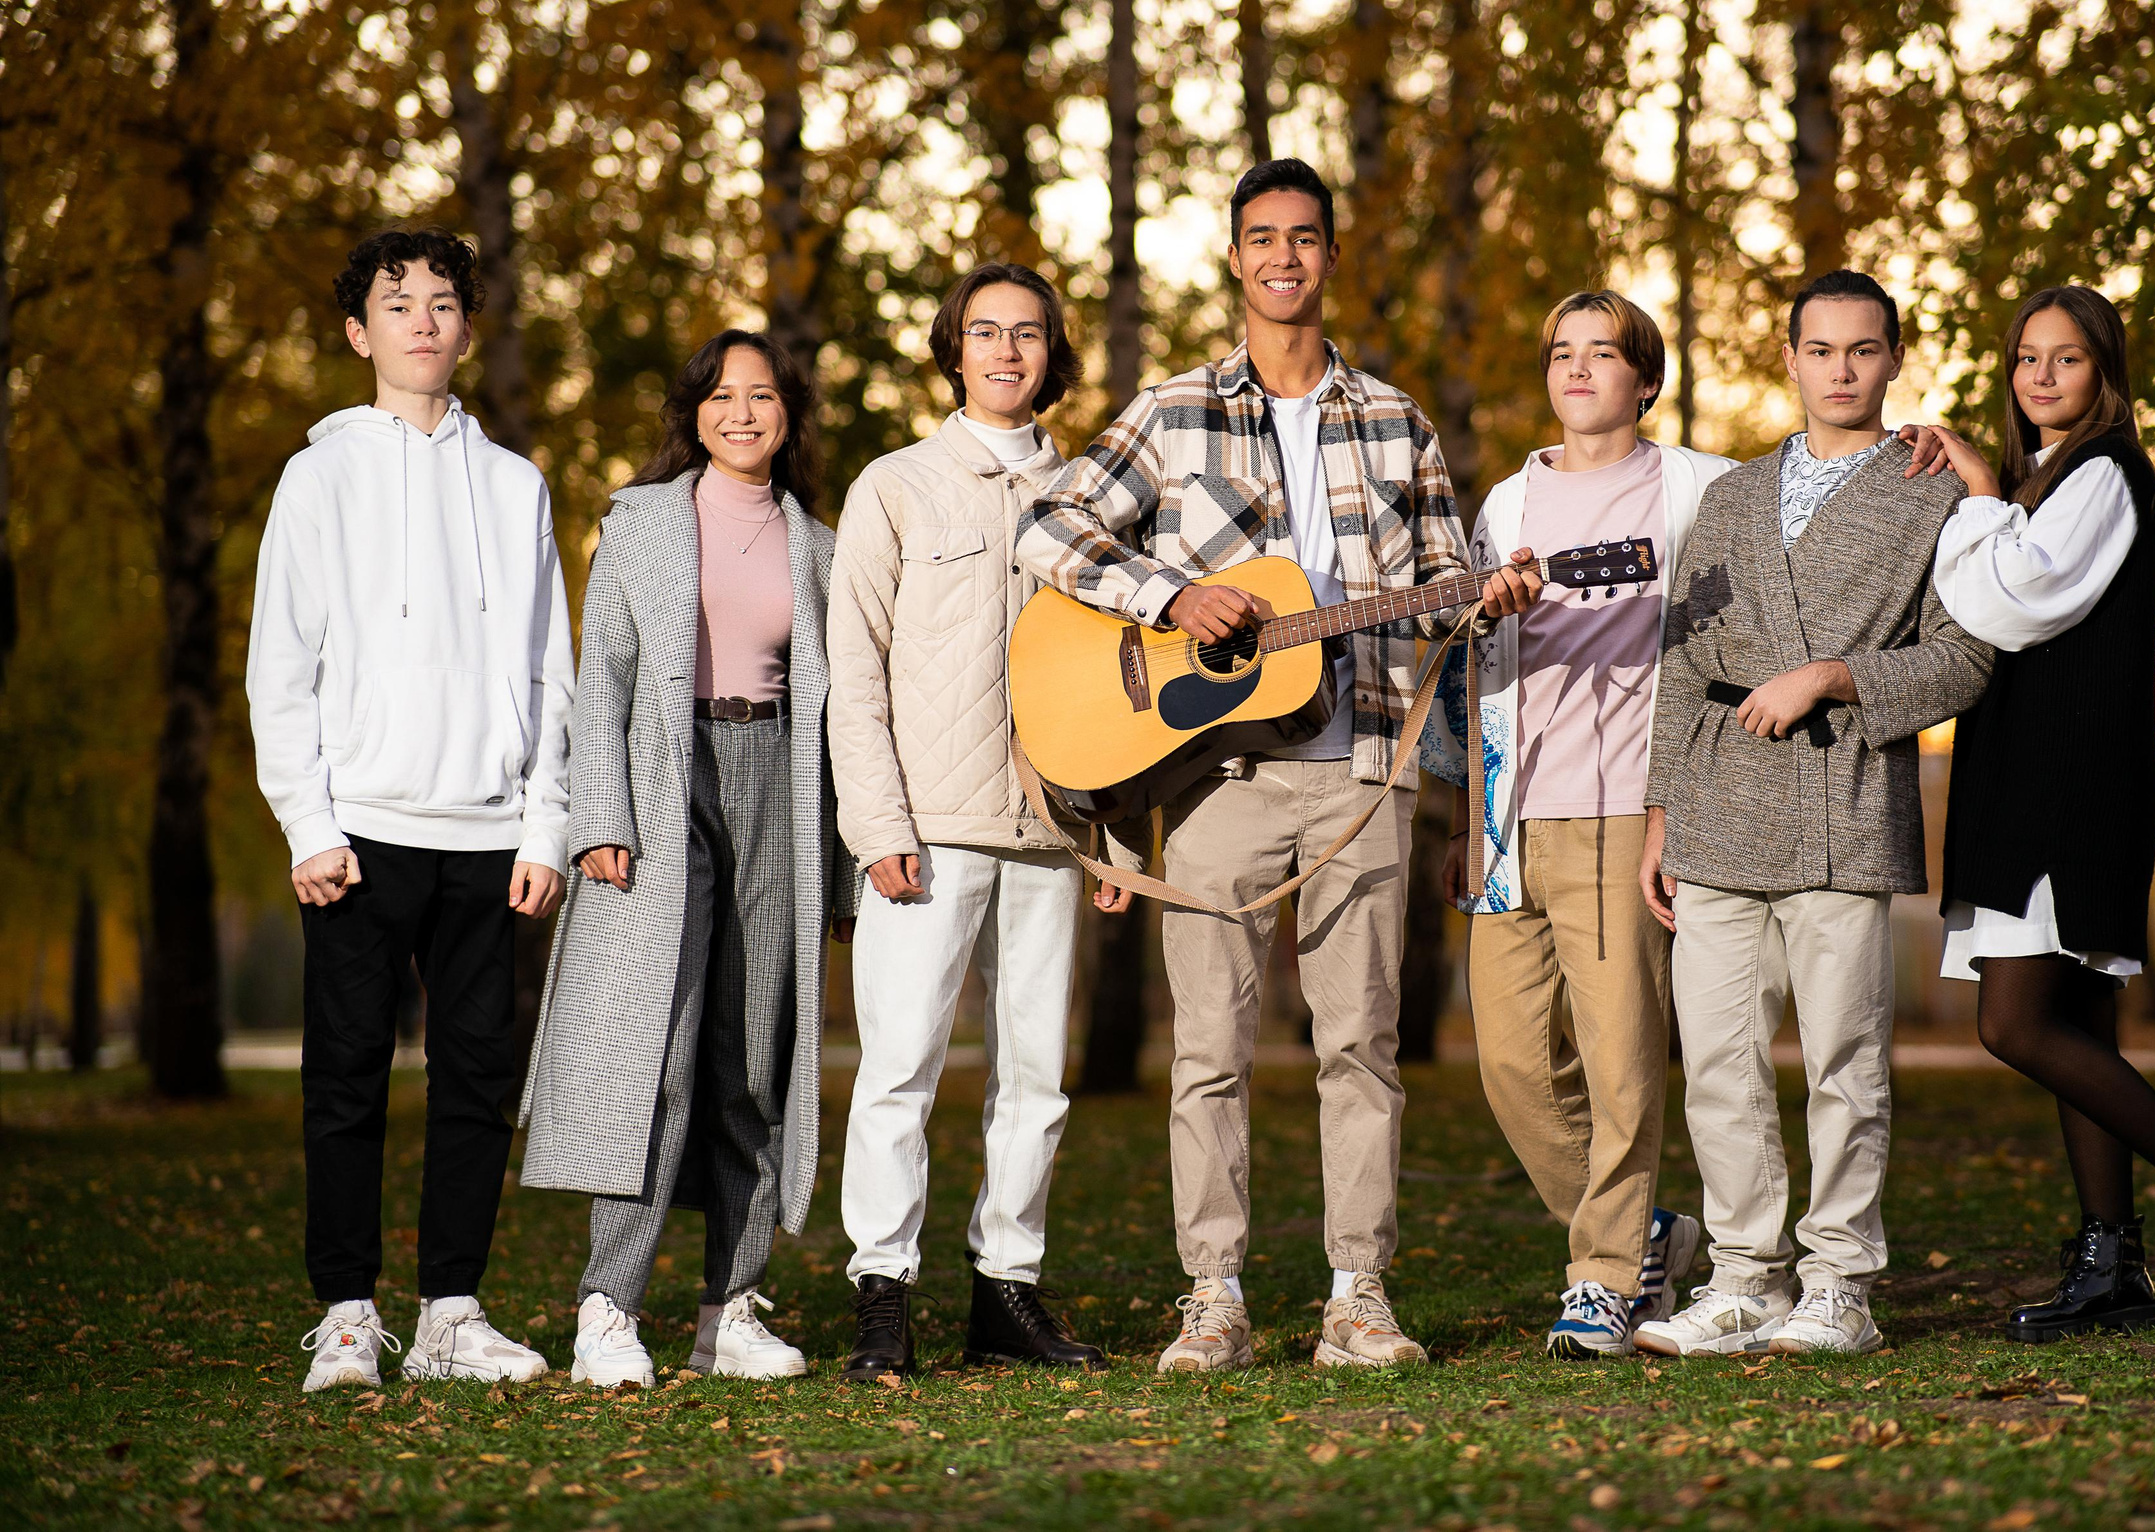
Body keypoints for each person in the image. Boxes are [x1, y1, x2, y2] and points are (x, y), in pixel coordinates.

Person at [1016, 157, 1536, 1373]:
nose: (1284, 258)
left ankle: (1358, 1296)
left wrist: (1488, 598)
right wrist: (1172, 592)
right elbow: (1051, 524)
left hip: (1360, 768)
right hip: (1213, 778)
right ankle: (1216, 1298)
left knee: (1359, 1042)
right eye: (1263, 238)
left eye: (1305, 237)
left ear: (1330, 256)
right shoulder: (1172, 409)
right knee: (1207, 1050)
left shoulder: (1396, 421)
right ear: (1235, 257)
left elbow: (1444, 599)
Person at [1900, 286, 2155, 1339]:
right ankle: (2110, 1264)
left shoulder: (2101, 473)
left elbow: (2007, 600)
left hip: (2063, 784)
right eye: (2026, 357)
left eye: (2065, 359)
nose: (2040, 376)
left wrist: (1980, 495)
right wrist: (1997, 494)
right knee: (2079, 1020)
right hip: (2027, 773)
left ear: (2103, 374)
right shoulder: (2048, 475)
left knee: (2017, 1021)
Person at [1634, 270, 1993, 1360]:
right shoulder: (1733, 497)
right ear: (1787, 357)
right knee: (1718, 1060)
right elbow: (1680, 653)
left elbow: (1968, 658)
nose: (1841, 369)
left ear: (1893, 358)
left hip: (1841, 797)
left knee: (1844, 1057)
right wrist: (1659, 809)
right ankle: (1743, 1277)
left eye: (1862, 349)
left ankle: (1840, 1283)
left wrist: (1835, 673)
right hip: (1715, 800)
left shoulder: (1934, 493)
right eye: (1820, 349)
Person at [249, 227, 569, 1392]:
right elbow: (280, 664)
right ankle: (346, 1315)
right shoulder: (319, 474)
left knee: (476, 1078)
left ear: (466, 326)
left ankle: (451, 1311)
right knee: (346, 1077)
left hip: (487, 832)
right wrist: (308, 824)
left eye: (442, 302)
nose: (423, 321)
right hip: (362, 829)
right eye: (398, 304)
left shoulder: (513, 481)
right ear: (358, 331)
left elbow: (548, 669)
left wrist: (544, 825)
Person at [517, 329, 855, 1389]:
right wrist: (598, 817)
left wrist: (841, 867)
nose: (741, 413)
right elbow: (601, 678)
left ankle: (730, 1310)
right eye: (722, 395)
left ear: (789, 415)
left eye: (762, 397)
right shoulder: (642, 522)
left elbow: (845, 714)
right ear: (694, 411)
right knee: (650, 1064)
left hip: (781, 787)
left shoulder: (823, 546)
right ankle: (607, 1309)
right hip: (666, 785)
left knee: (751, 1061)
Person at [829, 265, 1128, 1381]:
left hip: (1055, 828)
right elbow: (851, 669)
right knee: (900, 1066)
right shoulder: (896, 486)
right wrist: (877, 822)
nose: (1008, 351)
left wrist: (1116, 837)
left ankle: (1007, 1290)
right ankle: (882, 1294)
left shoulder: (1093, 494)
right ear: (952, 349)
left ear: (1054, 353)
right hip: (927, 829)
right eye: (985, 333)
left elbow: (1123, 676)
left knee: (1037, 1074)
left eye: (1030, 334)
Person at [1422, 291, 1730, 1358]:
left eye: (1605, 353)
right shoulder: (1504, 507)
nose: (1581, 368)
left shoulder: (1696, 489)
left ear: (1645, 378)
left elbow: (1749, 622)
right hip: (1511, 809)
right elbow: (1467, 669)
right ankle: (1644, 1233)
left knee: (1620, 1060)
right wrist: (1464, 807)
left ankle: (1601, 1278)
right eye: (1563, 352)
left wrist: (1685, 808)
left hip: (1625, 805)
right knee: (1509, 1062)